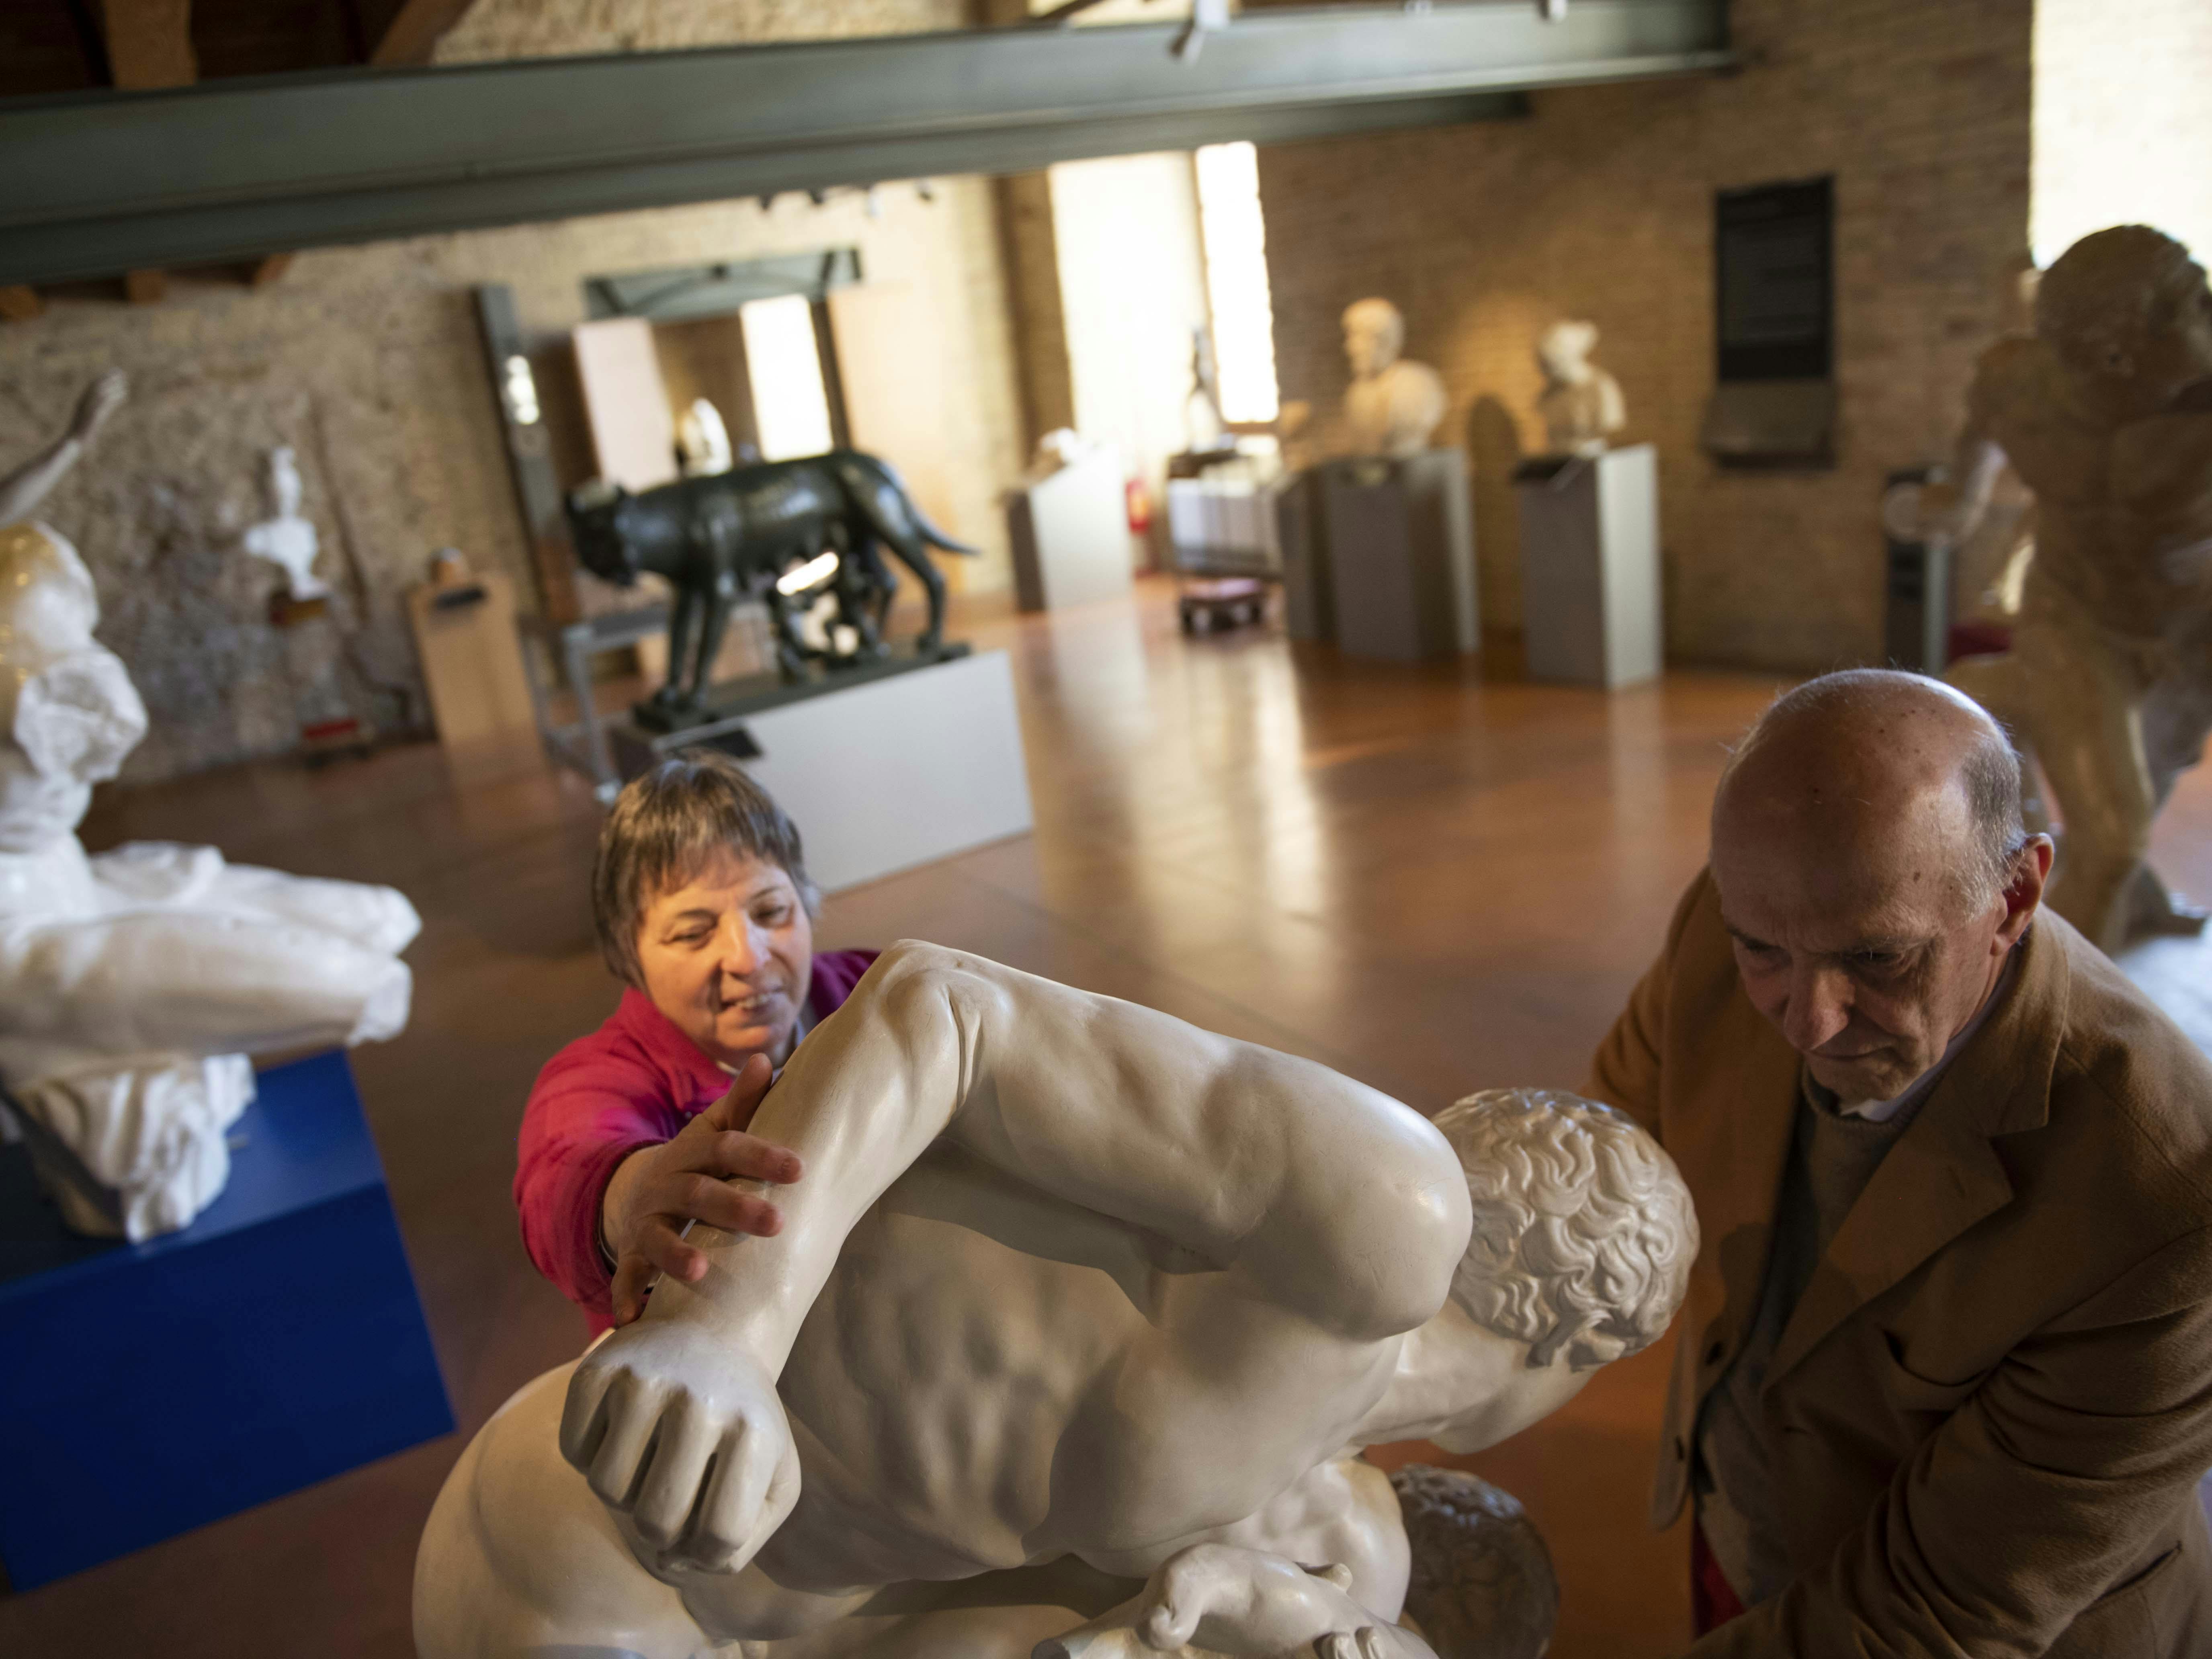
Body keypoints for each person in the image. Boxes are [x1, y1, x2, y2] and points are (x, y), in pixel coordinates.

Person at [417, 947, 1696, 1658]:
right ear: (1580, 1344)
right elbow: (943, 1008)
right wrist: (727, 1331)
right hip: (596, 1553)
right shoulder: (1389, 1216)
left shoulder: (1327, 1489)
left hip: (772, 1622)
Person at [1588, 668, 2212, 1656]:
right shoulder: (1738, 919)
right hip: (1745, 1535)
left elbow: (1927, 1616)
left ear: (2016, 893)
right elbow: (1598, 1161)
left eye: (1879, 960)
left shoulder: (2168, 1206)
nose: (1808, 1020)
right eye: (1763, 953)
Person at [1919, 224, 2212, 952]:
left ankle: (1996, 693)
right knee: (2115, 833)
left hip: (2190, 632)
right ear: (2115, 352)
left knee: (2148, 772)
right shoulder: (2018, 384)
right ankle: (2062, 1016)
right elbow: (1971, 465)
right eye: (2188, 309)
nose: (2208, 317)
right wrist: (1952, 505)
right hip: (2075, 615)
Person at [514, 751, 876, 1333]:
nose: (748, 957)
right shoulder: (596, 1078)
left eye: (771, 911)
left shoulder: (873, 992)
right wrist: (630, 1198)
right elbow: (562, 1179)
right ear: (629, 955)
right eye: (693, 932)